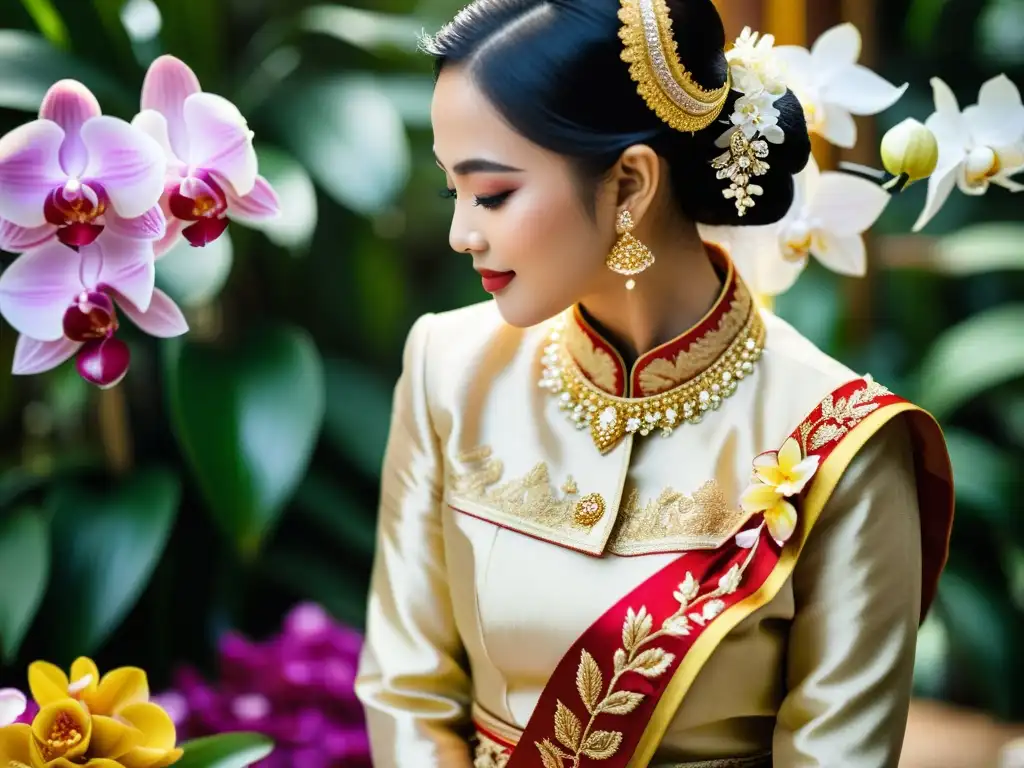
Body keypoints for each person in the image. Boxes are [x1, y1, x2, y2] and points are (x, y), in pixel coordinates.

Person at [354, 1, 955, 766]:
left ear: (630, 183)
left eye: (492, 194)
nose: (461, 233)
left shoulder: (844, 444)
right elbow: (407, 693)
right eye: (453, 191)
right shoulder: (448, 365)